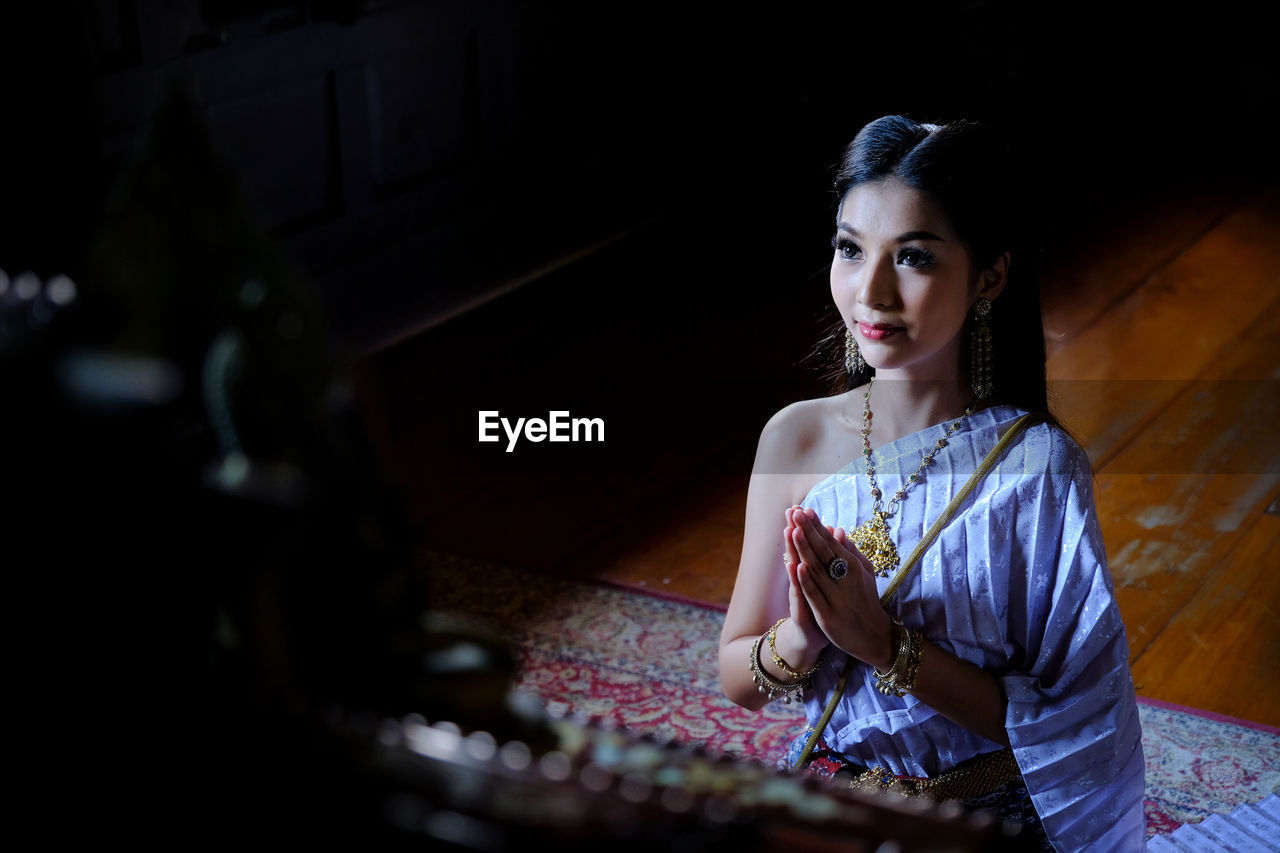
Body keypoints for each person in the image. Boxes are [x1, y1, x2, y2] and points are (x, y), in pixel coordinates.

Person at [718, 115, 1145, 852]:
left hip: (983, 818)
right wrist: (803, 635)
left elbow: (1066, 718)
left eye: (912, 257)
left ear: (990, 276)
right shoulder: (794, 437)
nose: (870, 290)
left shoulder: (1036, 466)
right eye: (850, 249)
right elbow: (737, 674)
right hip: (829, 804)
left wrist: (885, 645)